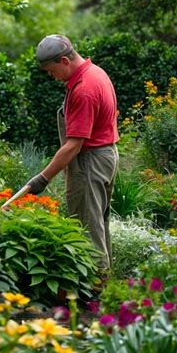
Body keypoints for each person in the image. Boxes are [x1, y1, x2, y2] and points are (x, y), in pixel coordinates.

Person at [25, 34, 119, 270]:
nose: (51, 76)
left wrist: (42, 178)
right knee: (97, 224)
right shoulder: (96, 72)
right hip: (107, 155)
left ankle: (95, 293)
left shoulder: (84, 90)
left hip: (90, 163)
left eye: (51, 70)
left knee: (87, 229)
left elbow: (73, 145)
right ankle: (105, 286)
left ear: (65, 61)